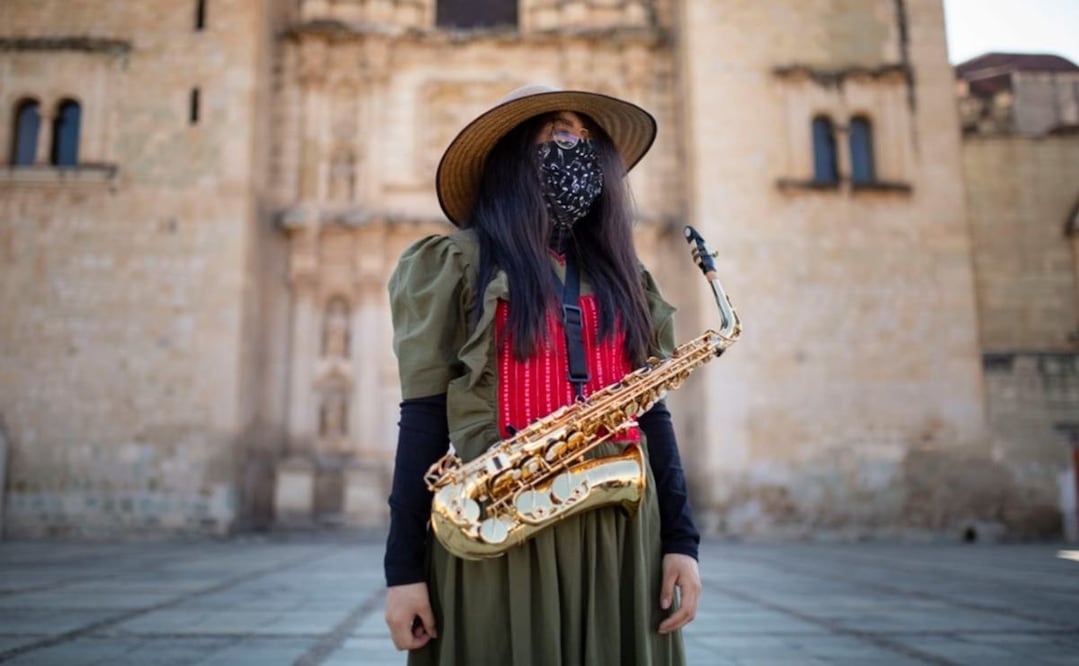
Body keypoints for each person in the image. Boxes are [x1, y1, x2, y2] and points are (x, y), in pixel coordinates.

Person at [383, 84, 701, 666]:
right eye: (555, 132)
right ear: (510, 159)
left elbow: (653, 414)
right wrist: (402, 572)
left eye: (585, 137)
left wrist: (682, 542)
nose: (573, 147)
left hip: (625, 538)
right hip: (504, 532)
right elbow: (423, 417)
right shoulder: (457, 264)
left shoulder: (625, 277)